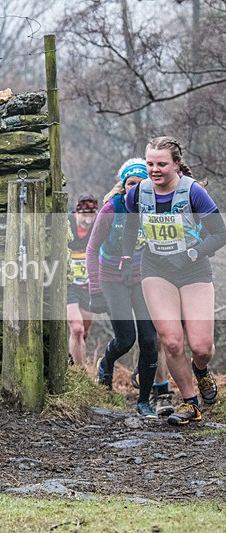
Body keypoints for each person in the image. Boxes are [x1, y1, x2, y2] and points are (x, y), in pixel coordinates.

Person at [123, 136, 226, 425]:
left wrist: (191, 253)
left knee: (202, 347)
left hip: (194, 270)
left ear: (176, 164)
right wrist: (126, 258)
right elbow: (130, 228)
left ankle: (202, 371)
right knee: (171, 342)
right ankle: (190, 404)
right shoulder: (137, 193)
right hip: (156, 269)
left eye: (161, 164)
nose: (154, 170)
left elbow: (220, 233)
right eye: (150, 163)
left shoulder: (193, 193)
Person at [85, 160, 160, 418]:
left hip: (142, 279)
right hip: (111, 279)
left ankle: (144, 402)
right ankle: (105, 363)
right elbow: (92, 249)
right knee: (126, 339)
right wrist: (94, 290)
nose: (135, 189)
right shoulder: (111, 208)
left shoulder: (153, 208)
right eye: (131, 184)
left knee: (150, 339)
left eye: (141, 185)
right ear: (123, 185)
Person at [67, 193, 98, 368]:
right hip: (68, 284)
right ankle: (79, 374)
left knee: (83, 332)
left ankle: (72, 363)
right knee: (76, 328)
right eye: (84, 216)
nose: (88, 221)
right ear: (77, 212)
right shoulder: (67, 224)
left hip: (87, 285)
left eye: (91, 216)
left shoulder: (96, 228)